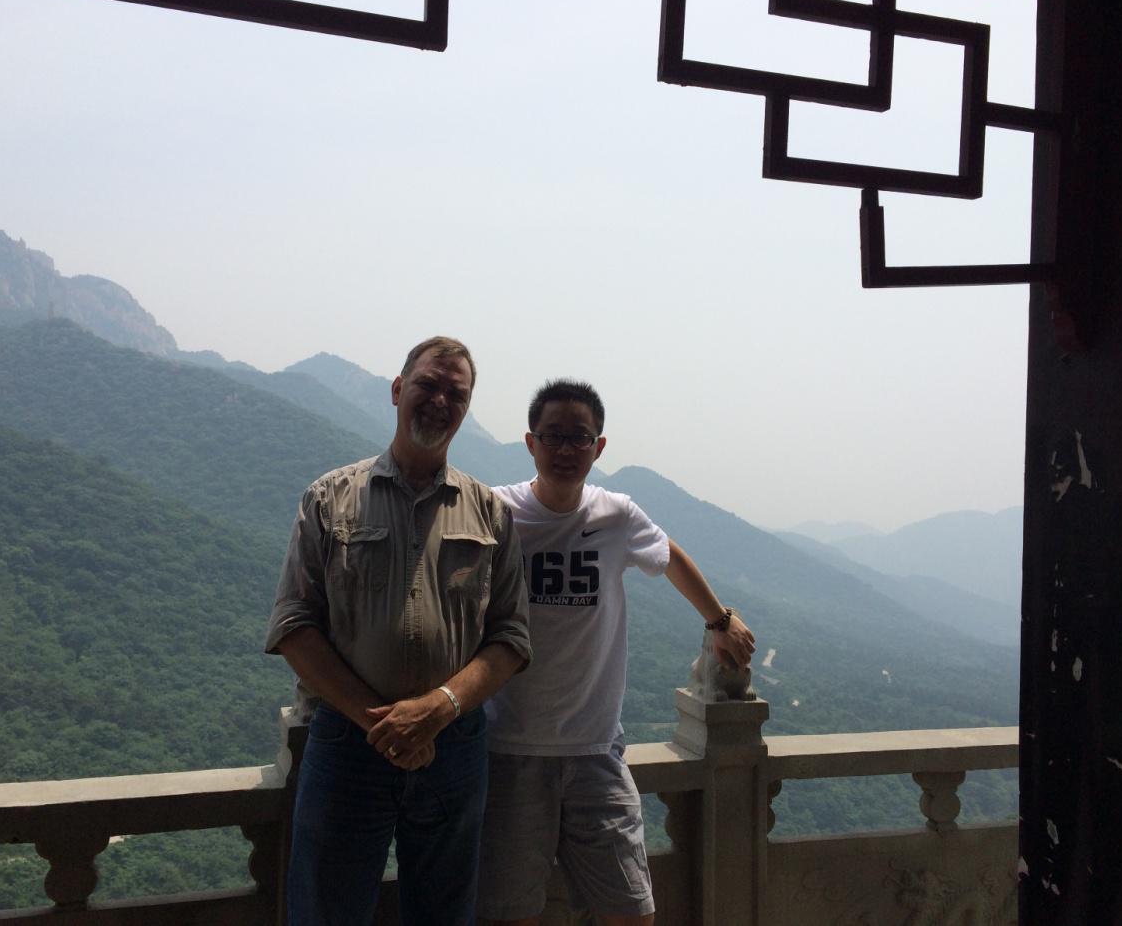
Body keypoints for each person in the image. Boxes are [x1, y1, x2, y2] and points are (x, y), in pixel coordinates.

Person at [265, 336, 531, 926]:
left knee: (444, 914)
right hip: (348, 744)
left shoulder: (490, 514)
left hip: (453, 746)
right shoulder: (329, 499)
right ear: (396, 390)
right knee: (327, 911)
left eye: (455, 395)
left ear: (466, 410)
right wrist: (382, 724)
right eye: (427, 385)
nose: (439, 401)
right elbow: (294, 625)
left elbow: (511, 637)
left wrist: (438, 708)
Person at [478, 379, 755, 926]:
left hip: (595, 750)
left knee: (631, 912)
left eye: (579, 437)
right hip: (509, 747)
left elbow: (669, 555)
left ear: (599, 447)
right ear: (530, 442)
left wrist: (719, 620)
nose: (565, 449)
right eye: (553, 436)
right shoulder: (496, 511)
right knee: (511, 915)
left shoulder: (616, 514)